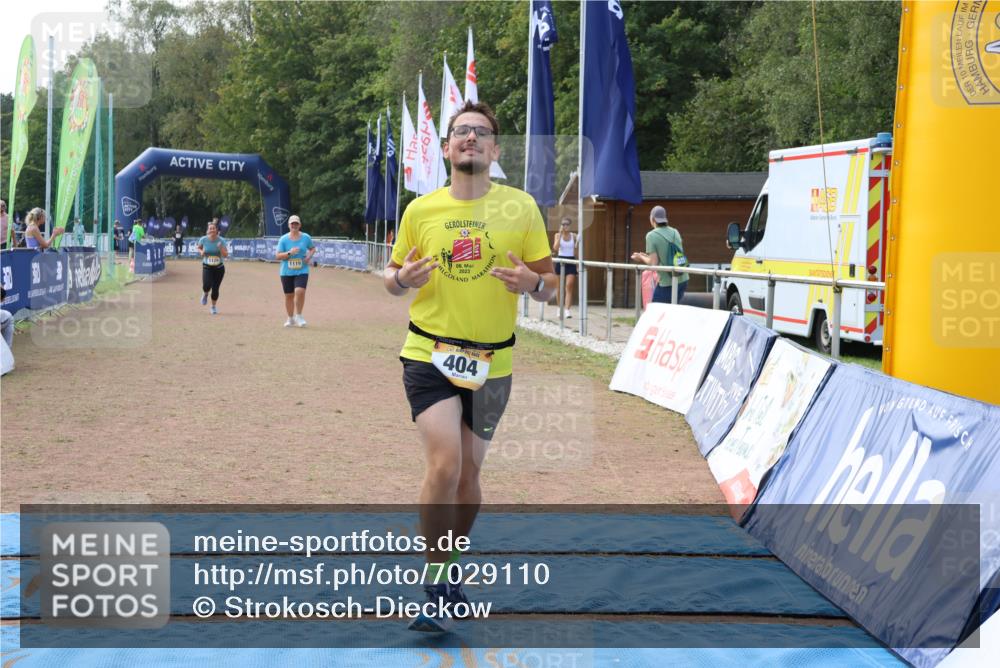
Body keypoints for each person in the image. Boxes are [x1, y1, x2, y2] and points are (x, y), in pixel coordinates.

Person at [384, 100, 555, 633]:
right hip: (428, 354)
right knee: (446, 464)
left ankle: (451, 568)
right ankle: (436, 580)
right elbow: (390, 278)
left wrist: (534, 285)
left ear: (495, 150)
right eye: (461, 132)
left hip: (492, 362)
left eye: (481, 133)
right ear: (445, 147)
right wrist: (401, 281)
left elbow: (555, 287)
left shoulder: (521, 208)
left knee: (471, 474)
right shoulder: (420, 210)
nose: (471, 139)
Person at [631, 205, 689, 305]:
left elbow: (653, 263)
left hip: (667, 282)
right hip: (683, 279)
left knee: (655, 310)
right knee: (671, 312)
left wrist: (640, 257)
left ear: (652, 219)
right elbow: (669, 254)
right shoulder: (675, 232)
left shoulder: (651, 235)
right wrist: (646, 256)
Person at [275, 214, 315, 327]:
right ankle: (290, 318)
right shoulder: (283, 239)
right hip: (286, 271)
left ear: (300, 225)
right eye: (292, 223)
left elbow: (312, 248)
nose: (294, 225)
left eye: (296, 223)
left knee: (300, 291)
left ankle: (299, 316)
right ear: (289, 225)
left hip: (302, 270)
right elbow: (277, 256)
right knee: (289, 295)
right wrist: (289, 253)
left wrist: (308, 257)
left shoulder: (306, 237)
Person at [197, 221, 228, 315]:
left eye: (214, 228)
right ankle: (205, 294)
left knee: (215, 289)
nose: (212, 230)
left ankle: (213, 307)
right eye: (210, 228)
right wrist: (201, 252)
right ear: (208, 230)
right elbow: (199, 247)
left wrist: (221, 248)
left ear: (217, 230)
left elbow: (226, 255)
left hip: (219, 268)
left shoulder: (221, 240)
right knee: (206, 285)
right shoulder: (203, 239)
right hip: (207, 266)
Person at [551, 216, 579, 316]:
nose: (565, 226)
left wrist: (577, 264)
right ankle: (559, 308)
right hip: (560, 259)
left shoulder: (574, 236)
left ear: (570, 225)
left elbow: (576, 251)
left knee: (569, 285)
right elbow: (555, 248)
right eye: (563, 224)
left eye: (567, 224)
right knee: (559, 286)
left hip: (570, 260)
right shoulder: (558, 235)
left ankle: (567, 309)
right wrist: (561, 235)